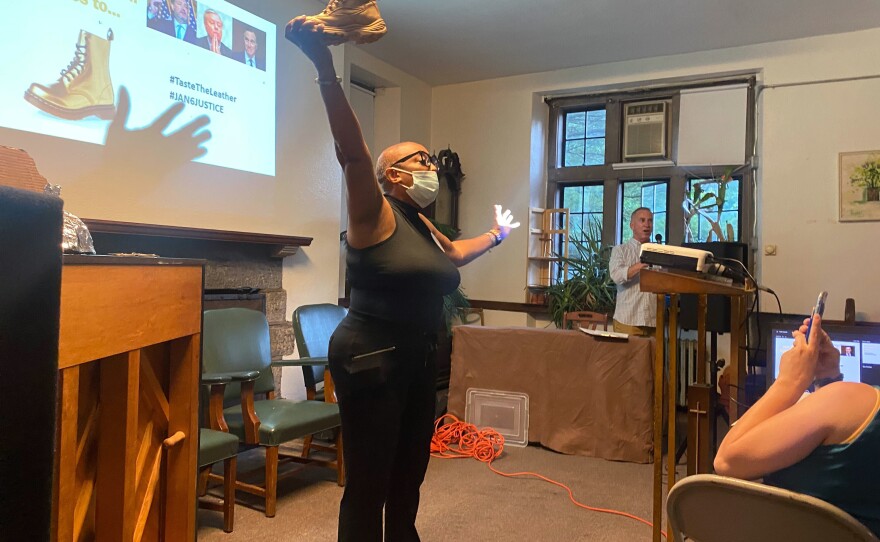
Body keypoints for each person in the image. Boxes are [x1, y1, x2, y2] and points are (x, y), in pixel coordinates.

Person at [285, 15, 518, 542]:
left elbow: (455, 254)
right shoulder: (375, 211)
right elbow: (351, 155)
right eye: (422, 159)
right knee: (369, 480)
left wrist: (497, 235)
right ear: (393, 173)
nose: (431, 165)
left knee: (410, 473)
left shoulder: (420, 222)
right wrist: (325, 66)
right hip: (370, 358)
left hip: (414, 357)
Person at [715, 314, 880, 537]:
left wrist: (790, 381)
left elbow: (727, 461)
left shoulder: (848, 399)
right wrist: (827, 380)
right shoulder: (856, 406)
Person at [608, 207, 656, 336]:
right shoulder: (620, 250)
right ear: (632, 225)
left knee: (652, 357)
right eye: (642, 220)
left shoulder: (658, 252)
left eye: (650, 221)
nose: (647, 224)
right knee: (628, 357)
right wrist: (641, 264)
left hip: (654, 321)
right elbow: (617, 276)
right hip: (628, 320)